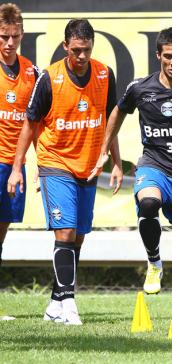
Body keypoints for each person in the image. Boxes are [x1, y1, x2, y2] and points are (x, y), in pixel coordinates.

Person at [89, 26, 172, 331]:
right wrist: (105, 150)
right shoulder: (140, 88)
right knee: (147, 203)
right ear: (158, 55)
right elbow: (118, 112)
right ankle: (154, 263)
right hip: (154, 165)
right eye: (168, 56)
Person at [7, 19, 123, 325]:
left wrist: (117, 162)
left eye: (86, 50)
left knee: (79, 237)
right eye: (76, 50)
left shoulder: (104, 74)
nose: (82, 56)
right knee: (66, 232)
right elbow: (30, 124)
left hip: (88, 166)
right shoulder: (50, 78)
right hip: (55, 162)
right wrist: (18, 168)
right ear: (65, 47)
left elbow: (110, 122)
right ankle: (70, 303)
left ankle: (56, 301)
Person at [0, 3, 39, 321]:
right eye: (3, 36)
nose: (9, 43)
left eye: (14, 36)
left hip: (15, 166)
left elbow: (36, 122)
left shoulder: (31, 72)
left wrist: (37, 164)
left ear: (22, 35)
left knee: (2, 231)